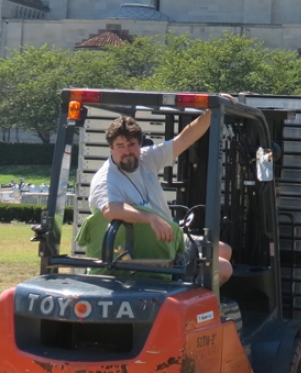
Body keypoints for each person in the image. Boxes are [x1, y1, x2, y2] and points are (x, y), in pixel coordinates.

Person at [77, 95, 235, 285]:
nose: (127, 151)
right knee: (224, 268)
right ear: (111, 148)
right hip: (139, 251)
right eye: (120, 146)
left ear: (139, 144)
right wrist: (151, 218)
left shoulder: (146, 159)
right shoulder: (106, 179)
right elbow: (111, 209)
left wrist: (212, 113)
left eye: (131, 145)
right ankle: (189, 304)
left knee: (224, 249)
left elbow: (184, 139)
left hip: (165, 238)